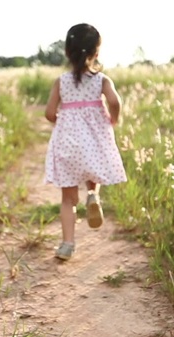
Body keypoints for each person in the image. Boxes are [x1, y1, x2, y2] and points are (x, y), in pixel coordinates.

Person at [44, 23, 127, 260]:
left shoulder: (61, 82)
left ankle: (67, 244)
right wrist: (113, 119)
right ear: (96, 52)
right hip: (94, 138)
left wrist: (61, 119)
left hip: (68, 141)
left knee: (68, 199)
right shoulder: (101, 80)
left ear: (68, 52)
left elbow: (49, 113)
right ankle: (93, 195)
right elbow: (115, 102)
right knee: (91, 167)